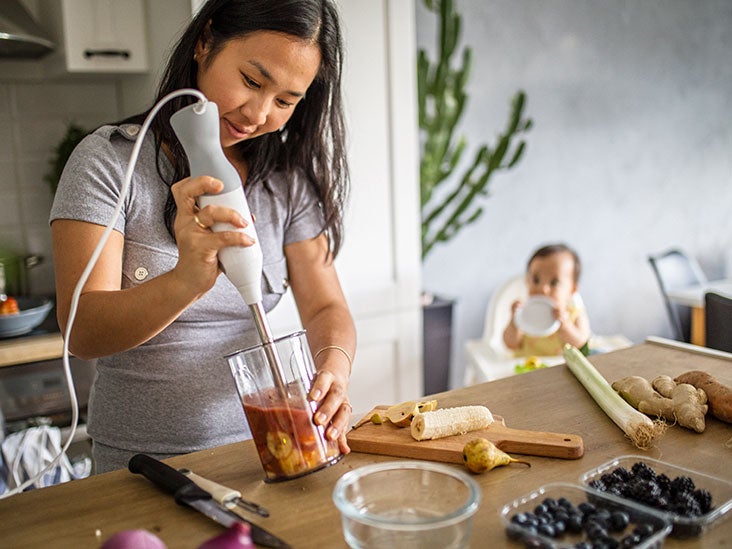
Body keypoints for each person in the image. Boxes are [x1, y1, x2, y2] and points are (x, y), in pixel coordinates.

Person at [49, 0, 356, 473]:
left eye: (285, 101)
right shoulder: (108, 162)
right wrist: (188, 279)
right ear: (205, 41)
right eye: (252, 81)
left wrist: (333, 369)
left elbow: (325, 306)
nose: (257, 113)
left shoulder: (286, 180)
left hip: (269, 457)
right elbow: (82, 331)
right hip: (143, 470)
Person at [503, 243, 590, 357]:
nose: (543, 288)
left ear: (572, 290)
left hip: (559, 372)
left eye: (554, 283)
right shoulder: (525, 312)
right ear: (527, 281)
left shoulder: (574, 313)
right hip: (525, 369)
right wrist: (514, 321)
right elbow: (510, 344)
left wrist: (565, 326)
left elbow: (581, 344)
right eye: (536, 280)